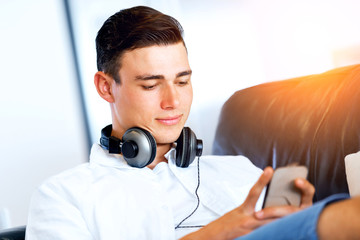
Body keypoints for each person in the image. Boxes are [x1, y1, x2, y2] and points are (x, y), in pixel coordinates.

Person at [25, 5, 352, 240]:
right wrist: (219, 233)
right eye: (151, 85)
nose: (174, 102)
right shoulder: (65, 196)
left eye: (182, 82)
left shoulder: (240, 173)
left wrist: (297, 219)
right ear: (106, 87)